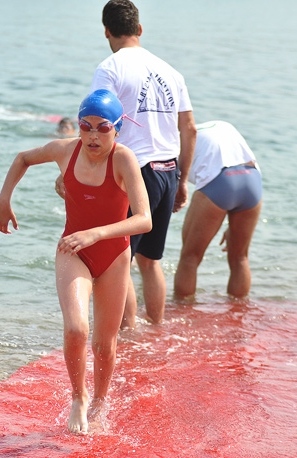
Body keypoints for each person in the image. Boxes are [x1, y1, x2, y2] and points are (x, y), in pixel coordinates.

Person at [0, 90, 151, 434]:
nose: (93, 136)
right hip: (73, 250)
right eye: (85, 126)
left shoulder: (124, 159)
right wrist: (4, 199)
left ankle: (100, 402)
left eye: (102, 128)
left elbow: (144, 220)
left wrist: (96, 234)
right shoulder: (65, 151)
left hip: (114, 255)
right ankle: (79, 397)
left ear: (117, 129)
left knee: (105, 345)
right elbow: (22, 158)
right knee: (77, 329)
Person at [91, 0, 196, 328]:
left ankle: (128, 335)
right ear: (139, 29)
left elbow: (99, 123)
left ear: (106, 31)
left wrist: (76, 169)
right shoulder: (171, 72)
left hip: (135, 173)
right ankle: (157, 330)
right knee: (151, 261)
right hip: (168, 170)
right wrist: (182, 180)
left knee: (119, 259)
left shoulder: (110, 68)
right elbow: (189, 129)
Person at [174, 120, 262, 299]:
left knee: (190, 258)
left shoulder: (174, 141)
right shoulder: (220, 125)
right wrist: (233, 226)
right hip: (252, 180)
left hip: (220, 182)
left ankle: (182, 308)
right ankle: (238, 308)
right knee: (240, 258)